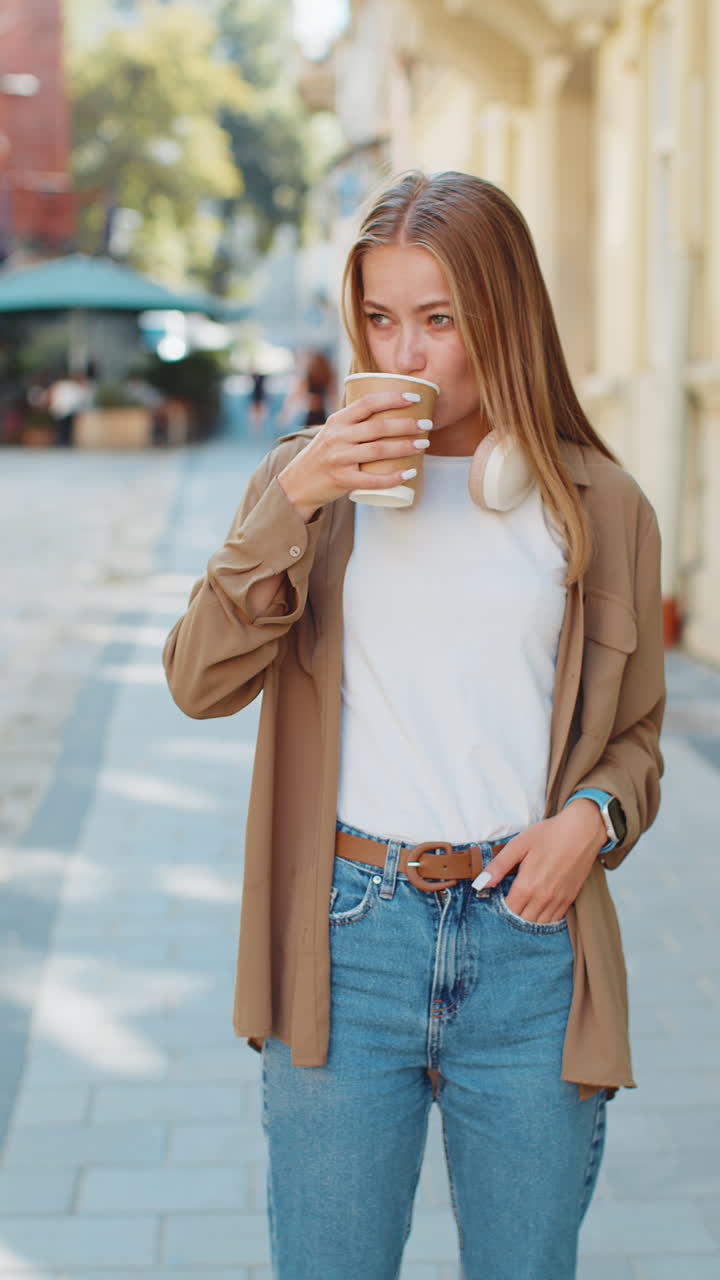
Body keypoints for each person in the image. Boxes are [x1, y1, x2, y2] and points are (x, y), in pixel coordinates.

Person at [163, 171, 665, 1279]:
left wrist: (593, 816)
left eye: (441, 318)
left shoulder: (602, 504)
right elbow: (198, 681)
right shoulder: (305, 485)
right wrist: (291, 501)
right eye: (382, 319)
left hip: (533, 942)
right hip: (349, 939)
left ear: (506, 316)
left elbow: (637, 741)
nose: (410, 352)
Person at [278, 348, 336, 428]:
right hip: (321, 414)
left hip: (307, 415)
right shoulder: (326, 376)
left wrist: (284, 414)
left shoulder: (305, 377)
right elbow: (332, 396)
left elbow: (295, 396)